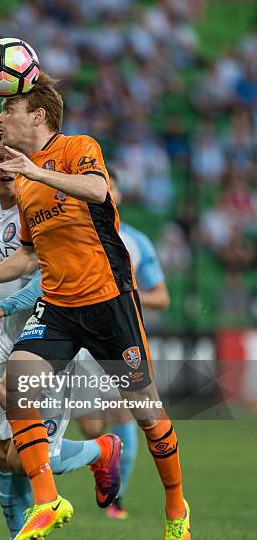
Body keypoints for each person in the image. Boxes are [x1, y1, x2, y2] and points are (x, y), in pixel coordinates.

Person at [0, 72, 191, 540]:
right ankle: (48, 499)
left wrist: (38, 171)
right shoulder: (24, 187)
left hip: (110, 302)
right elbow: (27, 257)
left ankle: (176, 506)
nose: (0, 117)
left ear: (38, 117)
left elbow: (97, 190)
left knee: (147, 412)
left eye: (9, 111)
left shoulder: (78, 147)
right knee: (15, 388)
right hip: (59, 306)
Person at [0, 125, 121, 540]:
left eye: (10, 157)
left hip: (53, 340)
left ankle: (103, 450)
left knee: (30, 459)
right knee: (3, 454)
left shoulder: (42, 210)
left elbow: (46, 279)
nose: (4, 166)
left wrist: (0, 307)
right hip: (12, 346)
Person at [75, 170, 170, 519]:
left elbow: (162, 297)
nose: (105, 191)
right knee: (90, 427)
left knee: (126, 413)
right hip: (83, 343)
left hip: (122, 340)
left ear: (116, 194)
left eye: (109, 186)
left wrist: (125, 298)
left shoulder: (136, 242)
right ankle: (104, 455)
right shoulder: (75, 236)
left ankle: (117, 499)